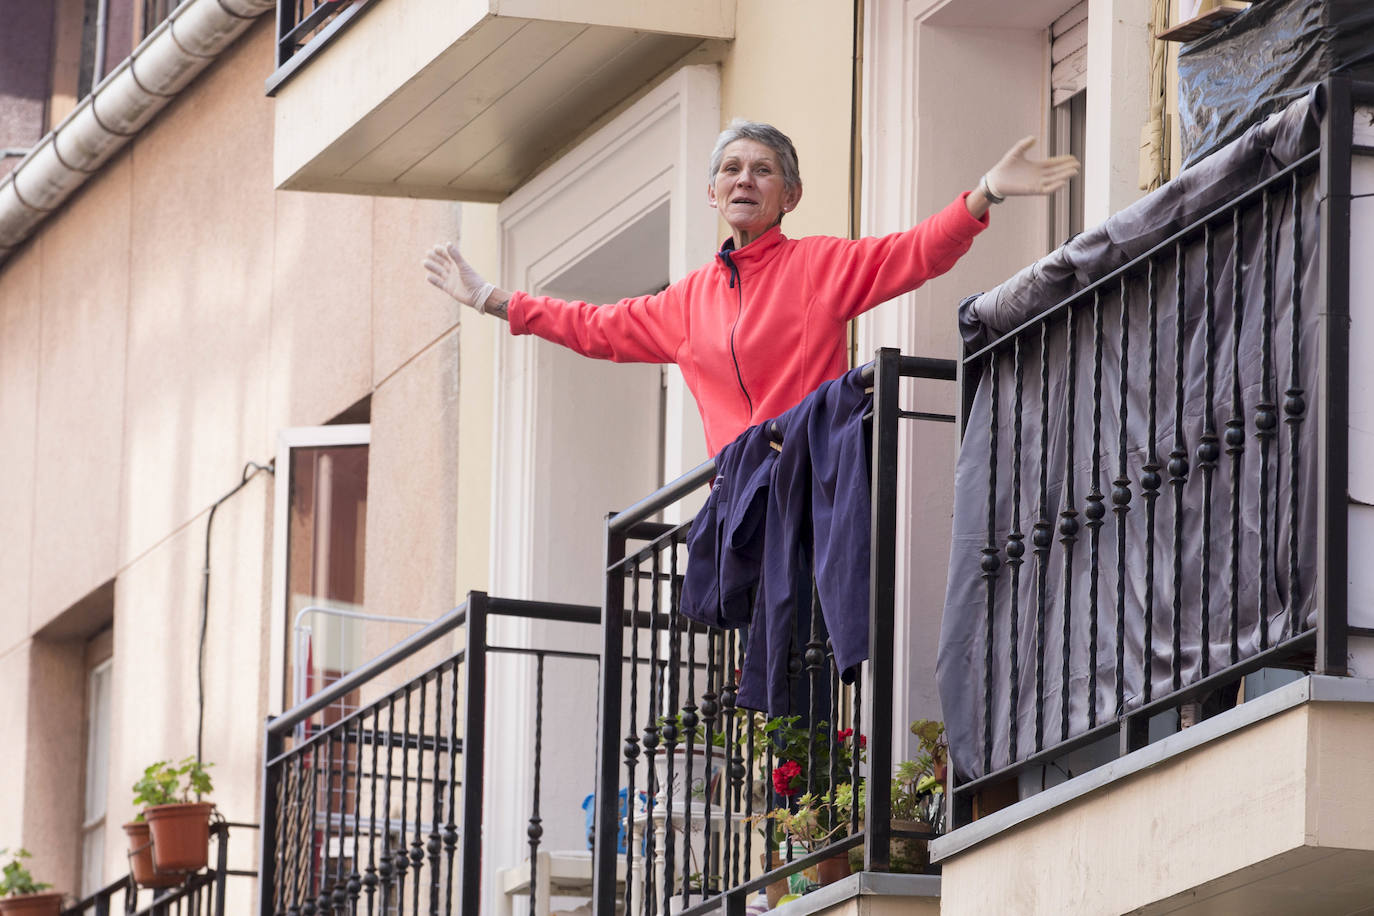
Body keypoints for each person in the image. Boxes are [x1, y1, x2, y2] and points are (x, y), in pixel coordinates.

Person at [423, 120, 1078, 456]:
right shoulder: (684, 303)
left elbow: (914, 253)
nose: (745, 180)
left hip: (812, 477)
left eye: (763, 170)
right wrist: (492, 299)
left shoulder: (818, 265)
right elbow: (593, 327)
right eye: (731, 170)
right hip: (739, 492)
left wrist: (984, 193)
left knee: (807, 646)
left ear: (789, 194)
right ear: (712, 193)